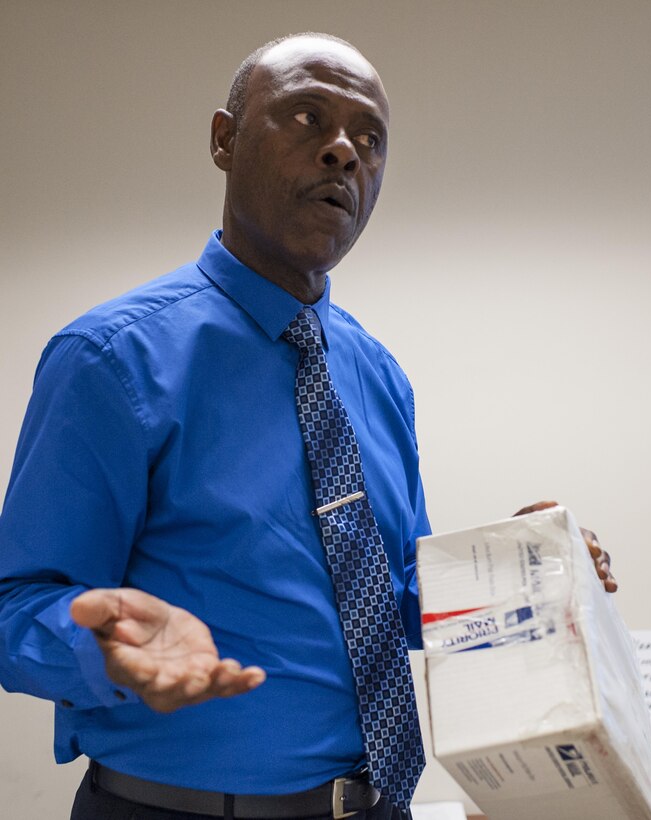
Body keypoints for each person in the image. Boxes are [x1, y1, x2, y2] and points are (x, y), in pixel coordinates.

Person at [0, 32, 616, 820]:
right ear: (224, 139)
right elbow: (18, 605)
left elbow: (393, 601)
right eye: (306, 118)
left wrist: (516, 572)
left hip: (377, 805)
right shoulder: (112, 360)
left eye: (370, 139)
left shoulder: (376, 373)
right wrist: (103, 649)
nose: (343, 153)